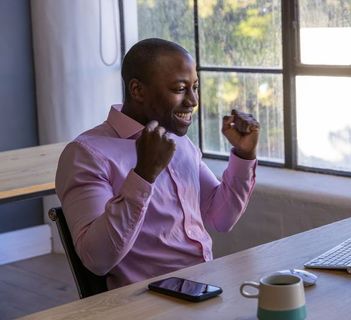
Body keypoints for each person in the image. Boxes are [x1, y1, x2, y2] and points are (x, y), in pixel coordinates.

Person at [55, 38, 260, 289]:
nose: (193, 100)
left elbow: (221, 218)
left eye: (195, 87)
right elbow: (96, 259)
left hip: (205, 286)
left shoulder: (179, 143)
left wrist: (244, 155)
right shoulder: (86, 155)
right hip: (147, 302)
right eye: (179, 89)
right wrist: (143, 175)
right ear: (137, 90)